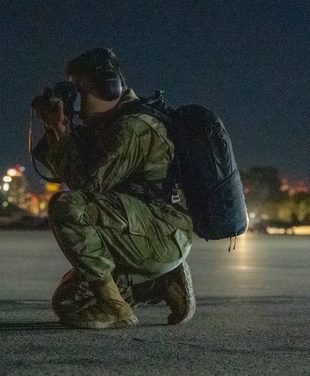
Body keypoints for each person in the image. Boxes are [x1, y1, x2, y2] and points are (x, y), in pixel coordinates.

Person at [31, 48, 195, 329]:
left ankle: (115, 306)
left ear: (105, 88)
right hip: (134, 227)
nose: (75, 102)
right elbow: (65, 171)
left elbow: (87, 185)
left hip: (160, 232)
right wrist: (57, 131)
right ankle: (160, 281)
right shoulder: (108, 125)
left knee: (67, 206)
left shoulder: (131, 128)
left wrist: (61, 131)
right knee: (67, 304)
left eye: (78, 92)